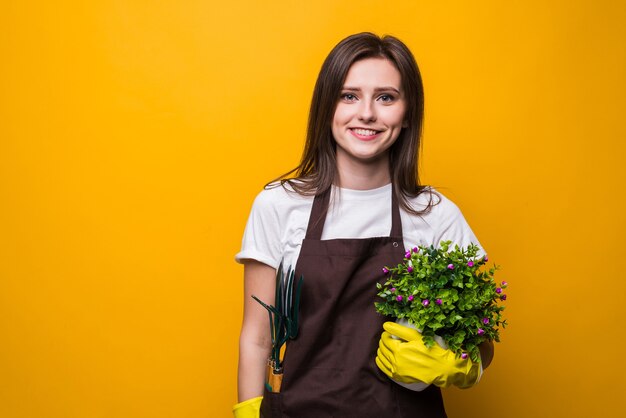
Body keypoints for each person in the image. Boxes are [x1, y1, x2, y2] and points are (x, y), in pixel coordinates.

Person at [233, 32, 494, 418]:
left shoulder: (436, 214)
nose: (367, 113)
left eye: (386, 97)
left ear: (407, 115)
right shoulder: (278, 205)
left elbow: (482, 342)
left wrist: (462, 365)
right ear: (327, 108)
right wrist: (249, 412)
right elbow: (257, 337)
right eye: (348, 95)